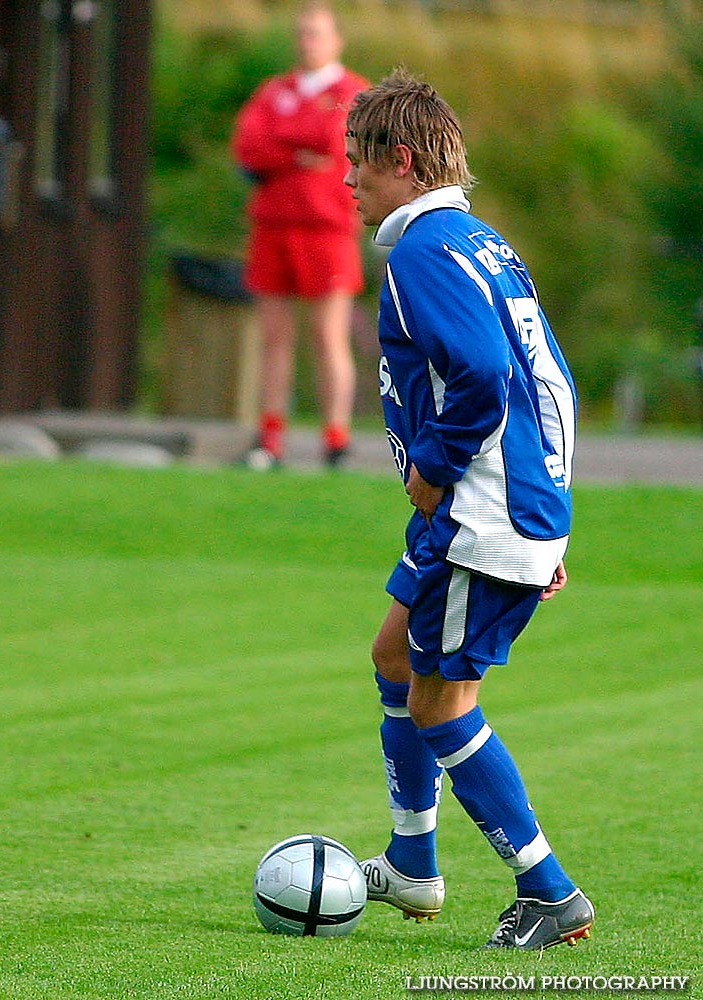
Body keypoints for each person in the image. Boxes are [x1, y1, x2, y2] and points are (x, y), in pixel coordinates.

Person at [343, 70, 593, 950]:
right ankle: (412, 862)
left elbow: (489, 374)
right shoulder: (482, 242)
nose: (348, 183)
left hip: (476, 514)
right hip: (497, 510)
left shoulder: (420, 251)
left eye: (358, 165)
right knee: (392, 656)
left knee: (442, 706)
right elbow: (549, 381)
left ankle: (549, 891)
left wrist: (440, 468)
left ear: (401, 162)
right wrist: (549, 510)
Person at [230, 3, 367, 469]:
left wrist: (290, 146)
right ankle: (269, 437)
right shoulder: (275, 90)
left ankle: (335, 437)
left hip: (326, 227)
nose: (307, 41)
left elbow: (332, 142)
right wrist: (297, 152)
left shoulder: (351, 92)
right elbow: (249, 147)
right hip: (273, 223)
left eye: (316, 33)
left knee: (328, 335)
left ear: (336, 40)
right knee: (273, 337)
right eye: (301, 33)